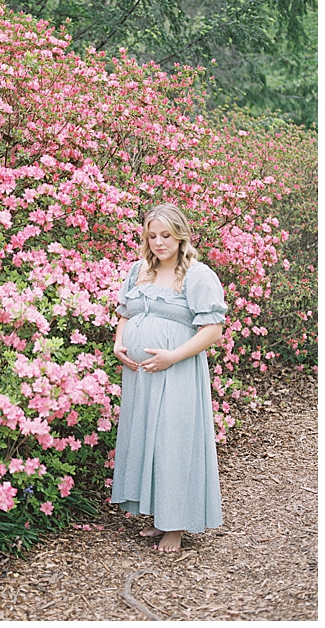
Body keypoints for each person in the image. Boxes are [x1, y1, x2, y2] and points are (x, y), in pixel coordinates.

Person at [110, 203, 226, 553]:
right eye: (152, 235)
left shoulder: (197, 275)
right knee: (147, 437)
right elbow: (125, 314)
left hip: (176, 370)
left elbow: (213, 329)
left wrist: (172, 356)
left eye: (166, 235)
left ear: (180, 235)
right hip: (141, 374)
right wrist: (119, 343)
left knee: (173, 441)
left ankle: (175, 526)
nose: (159, 242)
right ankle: (157, 516)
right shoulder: (138, 271)